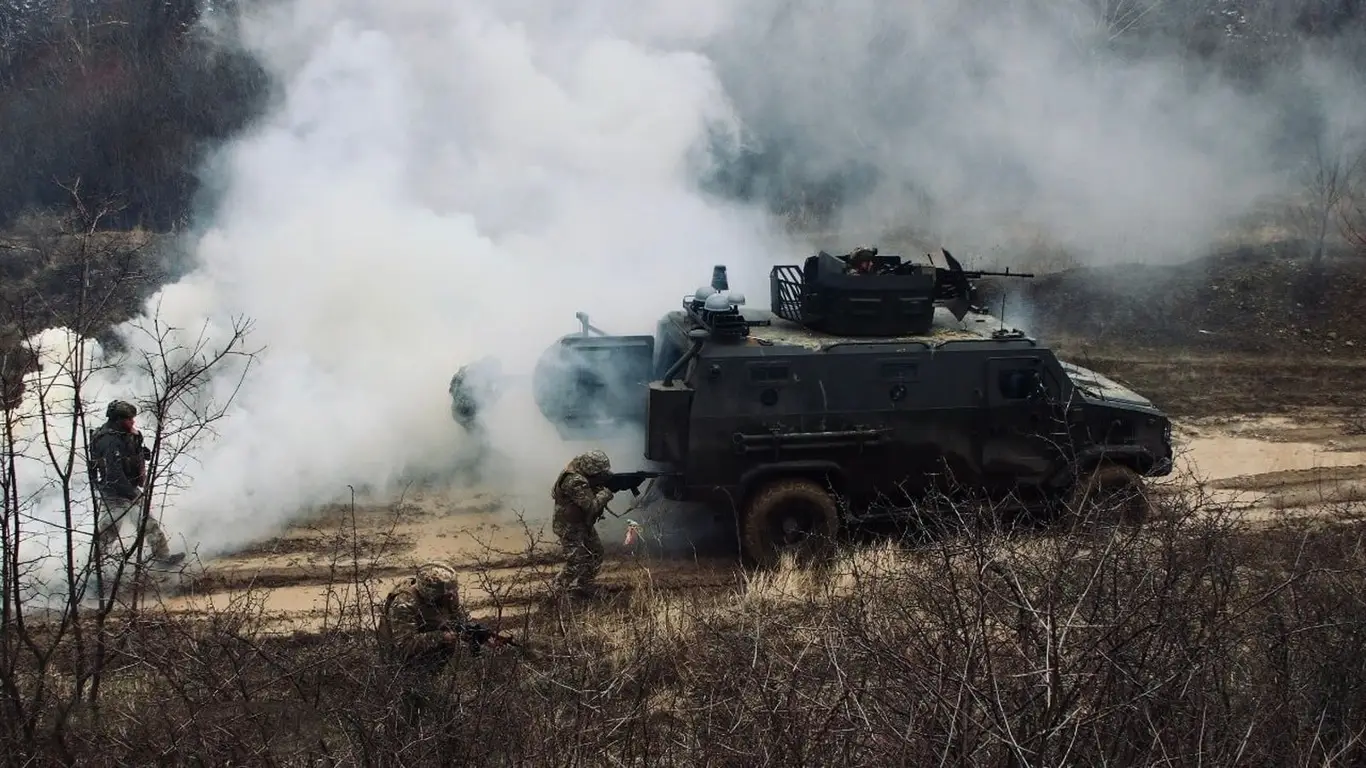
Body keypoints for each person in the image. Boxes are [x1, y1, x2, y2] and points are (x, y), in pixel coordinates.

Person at [377, 561, 511, 729]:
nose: (452, 597)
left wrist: (481, 637)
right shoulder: (404, 604)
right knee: (406, 713)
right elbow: (405, 645)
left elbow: (459, 622)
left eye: (452, 592)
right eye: (446, 595)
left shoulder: (447, 596)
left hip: (433, 662)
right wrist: (441, 637)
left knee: (439, 708)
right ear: (430, 593)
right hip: (402, 665)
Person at [89, 400, 184, 567]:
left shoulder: (124, 434)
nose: (133, 422)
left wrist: (142, 454)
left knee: (147, 524)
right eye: (129, 419)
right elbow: (114, 474)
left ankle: (162, 558)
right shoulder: (108, 441)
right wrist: (132, 494)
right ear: (118, 419)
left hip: (129, 488)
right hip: (114, 493)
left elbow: (133, 453)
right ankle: (94, 569)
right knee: (109, 532)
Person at [550, 450, 615, 596]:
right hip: (569, 526)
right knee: (575, 562)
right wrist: (607, 493)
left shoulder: (578, 468)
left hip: (582, 522)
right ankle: (556, 591)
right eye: (598, 472)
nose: (601, 474)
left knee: (595, 553)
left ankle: (585, 585)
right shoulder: (575, 481)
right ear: (590, 468)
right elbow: (591, 507)